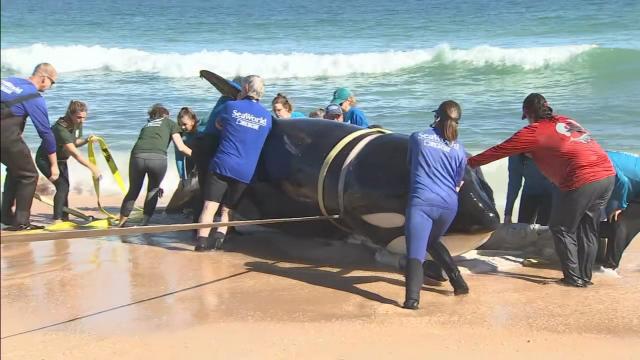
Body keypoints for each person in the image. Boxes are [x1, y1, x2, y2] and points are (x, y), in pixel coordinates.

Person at [468, 93, 615, 288]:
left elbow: (498, 151)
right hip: (607, 174)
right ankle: (584, 277)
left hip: (582, 178)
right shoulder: (568, 121)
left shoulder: (533, 132)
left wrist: (468, 163)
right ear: (547, 107)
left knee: (561, 227)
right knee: (587, 228)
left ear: (528, 114)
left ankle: (573, 278)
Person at [403, 100, 469, 310]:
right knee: (431, 240)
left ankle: (412, 300)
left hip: (422, 203)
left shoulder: (418, 137)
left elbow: (409, 165)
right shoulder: (460, 149)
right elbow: (459, 182)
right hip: (449, 206)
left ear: (437, 117)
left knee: (416, 250)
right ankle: (458, 282)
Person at [196, 75, 272, 251]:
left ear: (245, 89)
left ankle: (200, 245)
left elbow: (218, 126)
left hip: (223, 164)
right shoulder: (267, 117)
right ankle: (217, 245)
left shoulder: (230, 106)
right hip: (246, 171)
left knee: (209, 206)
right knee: (227, 210)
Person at [1, 63, 59, 230]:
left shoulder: (9, 81)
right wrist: (54, 164)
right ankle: (21, 222)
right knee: (29, 176)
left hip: (6, 135)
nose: (51, 87)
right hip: (5, 138)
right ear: (44, 78)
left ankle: (5, 215)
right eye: (52, 83)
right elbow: (45, 132)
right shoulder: (33, 97)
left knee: (15, 169)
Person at [118, 104, 192, 227]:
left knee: (133, 190)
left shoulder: (146, 126)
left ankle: (121, 223)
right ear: (166, 115)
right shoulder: (170, 123)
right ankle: (144, 222)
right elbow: (181, 147)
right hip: (158, 159)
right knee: (153, 190)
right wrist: (200, 157)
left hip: (137, 157)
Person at [35, 100, 101, 222]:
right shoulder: (60, 128)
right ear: (70, 114)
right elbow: (74, 153)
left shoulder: (76, 124)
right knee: (62, 187)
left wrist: (87, 140)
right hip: (45, 160)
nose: (82, 121)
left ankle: (64, 218)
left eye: (84, 117)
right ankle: (57, 219)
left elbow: (74, 143)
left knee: (65, 187)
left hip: (61, 160)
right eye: (79, 117)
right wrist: (93, 168)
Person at [599, 151, 640, 270]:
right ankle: (604, 260)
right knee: (615, 221)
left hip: (633, 185)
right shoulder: (598, 154)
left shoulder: (597, 160)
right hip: (635, 187)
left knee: (621, 222)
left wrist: (621, 206)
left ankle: (610, 267)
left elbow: (623, 181)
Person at [505, 154, 555, 225]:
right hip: (529, 192)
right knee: (522, 231)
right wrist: (508, 213)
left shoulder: (549, 147)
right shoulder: (515, 153)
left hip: (551, 194)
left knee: (544, 232)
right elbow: (514, 184)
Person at [175, 107, 200, 179]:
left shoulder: (202, 130)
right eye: (180, 124)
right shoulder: (179, 135)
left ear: (193, 121)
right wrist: (182, 176)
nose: (182, 127)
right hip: (190, 161)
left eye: (184, 124)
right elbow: (179, 157)